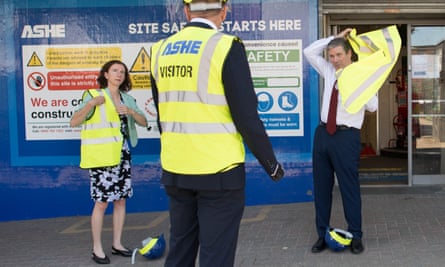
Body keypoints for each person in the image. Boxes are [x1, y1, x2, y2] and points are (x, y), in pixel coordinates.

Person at [149, 0, 284, 266]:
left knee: (180, 249)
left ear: (187, 11)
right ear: (224, 11)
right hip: (219, 171)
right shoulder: (225, 46)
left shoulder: (159, 49)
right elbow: (246, 115)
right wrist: (271, 164)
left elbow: (161, 111)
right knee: (216, 255)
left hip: (176, 168)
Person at [303, 28, 378, 254]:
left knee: (349, 188)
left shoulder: (361, 75)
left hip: (347, 137)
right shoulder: (328, 70)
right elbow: (308, 52)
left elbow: (373, 106)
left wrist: (360, 86)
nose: (334, 60)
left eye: (339, 55)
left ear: (349, 55)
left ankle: (356, 235)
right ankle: (322, 235)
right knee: (322, 188)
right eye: (332, 55)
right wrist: (332, 40)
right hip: (323, 134)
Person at [70, 60, 148, 264]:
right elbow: (74, 121)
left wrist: (131, 112)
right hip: (102, 157)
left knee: (121, 200)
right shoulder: (93, 96)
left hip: (122, 156)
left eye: (122, 72)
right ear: (105, 74)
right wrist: (89, 105)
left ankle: (117, 244)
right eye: (114, 70)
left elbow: (144, 122)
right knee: (102, 203)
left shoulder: (127, 99)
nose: (119, 74)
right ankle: (97, 248)